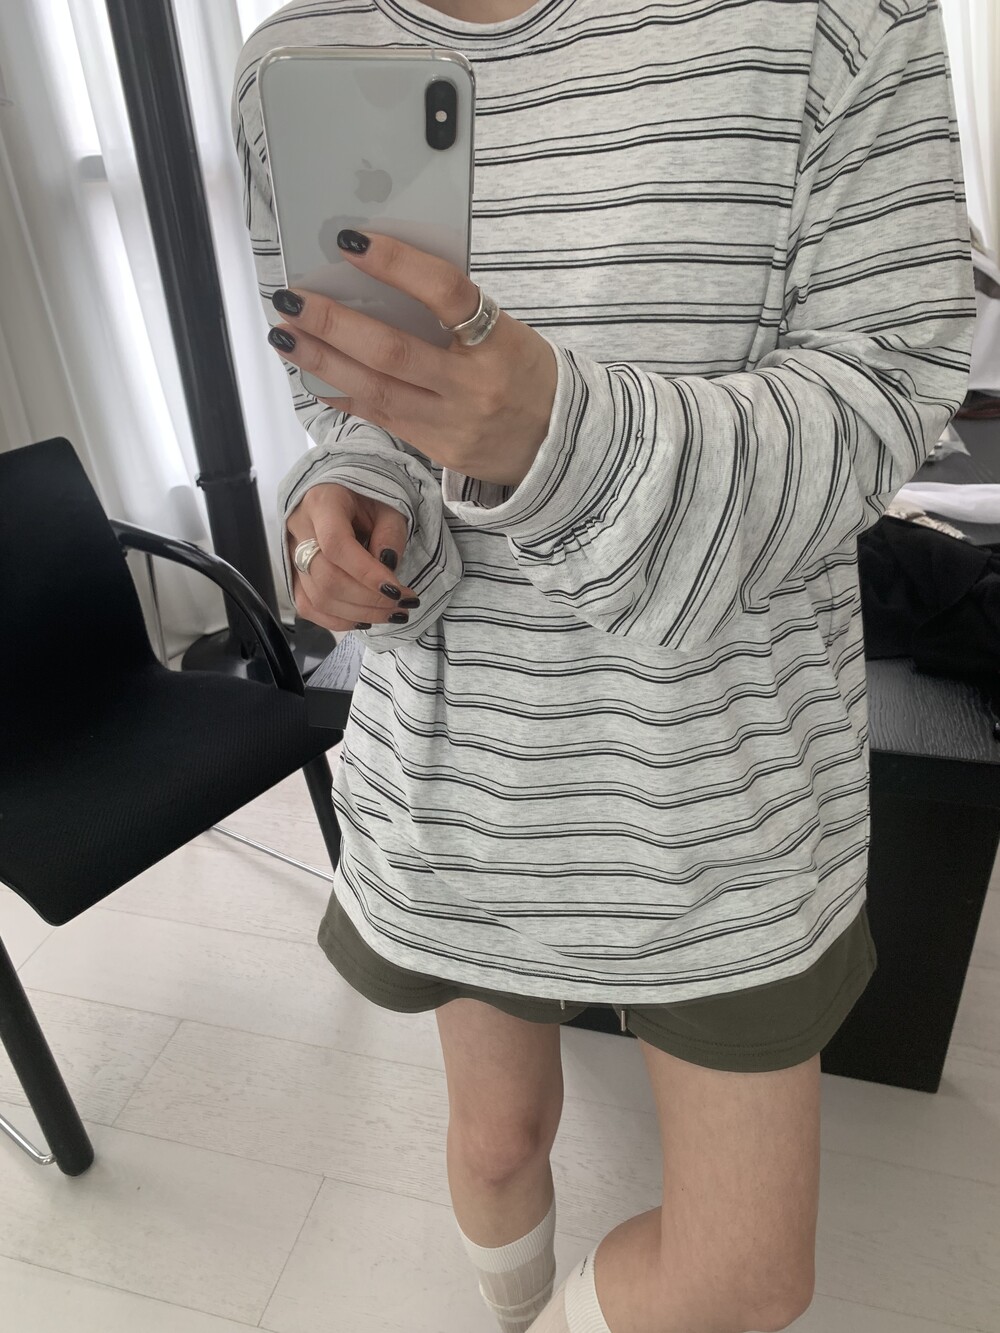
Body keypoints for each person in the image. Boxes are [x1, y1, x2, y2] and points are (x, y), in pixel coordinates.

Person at [231, 1, 976, 1329]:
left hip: (724, 782)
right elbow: (351, 402)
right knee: (494, 1144)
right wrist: (349, 503)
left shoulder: (837, 19)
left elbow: (890, 393)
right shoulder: (305, 54)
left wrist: (557, 432)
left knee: (745, 1271)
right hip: (460, 769)